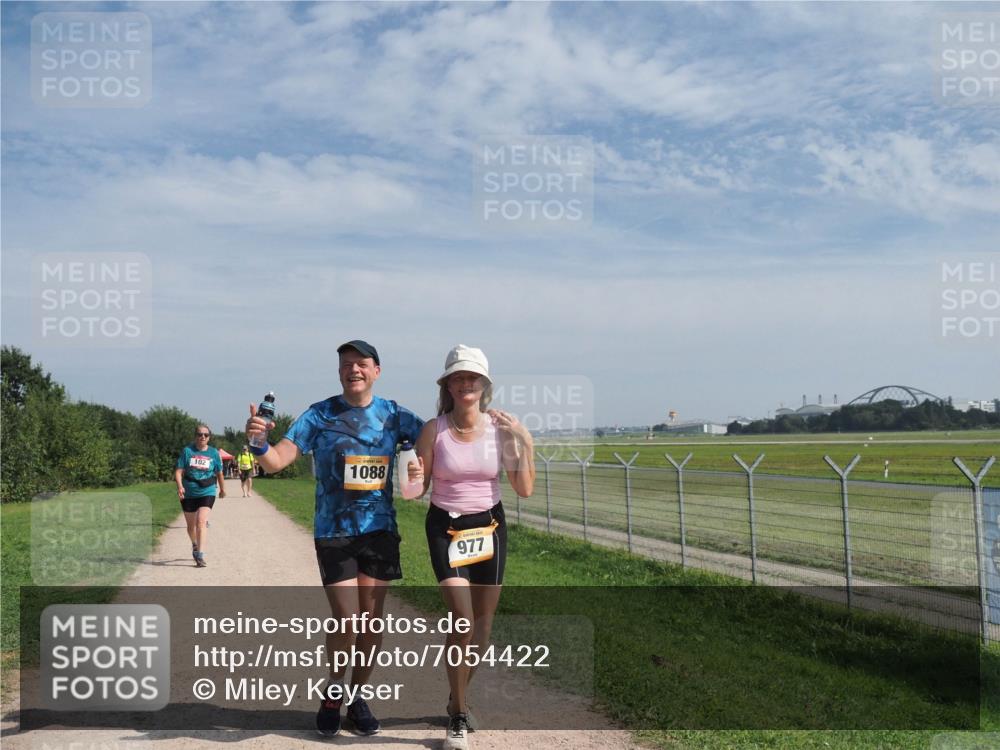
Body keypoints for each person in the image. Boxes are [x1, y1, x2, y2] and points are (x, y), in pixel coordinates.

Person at [245, 339, 423, 738]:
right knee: (347, 618)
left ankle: (357, 696)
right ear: (339, 372)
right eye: (346, 364)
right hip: (334, 532)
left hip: (379, 531)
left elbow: (434, 441)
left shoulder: (396, 415)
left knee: (372, 624)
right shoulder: (319, 415)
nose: (353, 370)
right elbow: (276, 461)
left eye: (361, 364)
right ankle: (333, 690)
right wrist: (257, 443)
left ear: (377, 370)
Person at [408, 345, 535, 750]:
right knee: (461, 619)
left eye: (472, 377)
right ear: (447, 385)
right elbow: (416, 490)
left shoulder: (502, 429)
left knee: (482, 625)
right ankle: (459, 717)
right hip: (446, 527)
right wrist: (411, 472)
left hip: (489, 526)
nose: (466, 383)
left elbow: (524, 488)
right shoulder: (435, 429)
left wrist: (525, 441)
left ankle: (455, 696)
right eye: (458, 377)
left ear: (484, 385)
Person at [174, 425, 225, 568]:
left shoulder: (214, 453)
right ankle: (194, 544)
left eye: (206, 435)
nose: (202, 437)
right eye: (199, 434)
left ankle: (200, 555)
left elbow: (219, 473)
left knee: (201, 521)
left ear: (209, 437)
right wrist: (180, 486)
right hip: (189, 492)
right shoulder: (187, 451)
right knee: (191, 527)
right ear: (195, 436)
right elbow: (178, 471)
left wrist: (222, 489)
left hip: (207, 490)